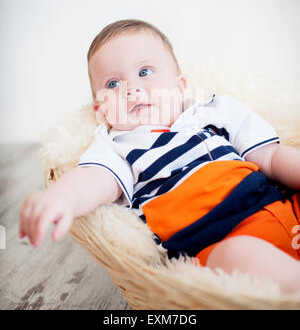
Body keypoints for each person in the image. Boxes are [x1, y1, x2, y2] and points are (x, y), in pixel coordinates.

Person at [19, 19, 300, 294]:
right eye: (114, 83)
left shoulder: (214, 112)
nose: (131, 88)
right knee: (240, 255)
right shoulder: (118, 145)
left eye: (144, 72)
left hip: (284, 212)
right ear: (101, 110)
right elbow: (93, 179)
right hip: (224, 242)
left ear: (180, 86)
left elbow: (271, 156)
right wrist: (62, 198)